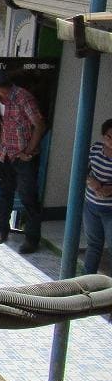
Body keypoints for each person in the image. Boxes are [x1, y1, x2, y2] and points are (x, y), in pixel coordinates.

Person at [0, 67, 46, 253]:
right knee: (4, 194)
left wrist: (29, 151)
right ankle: (0, 229)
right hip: (5, 154)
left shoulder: (23, 98)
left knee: (28, 197)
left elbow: (39, 124)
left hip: (24, 157)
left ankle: (32, 238)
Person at [82, 118, 112, 275]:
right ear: (103, 136)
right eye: (109, 137)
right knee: (93, 244)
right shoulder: (95, 149)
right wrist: (90, 180)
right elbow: (82, 169)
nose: (111, 141)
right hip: (91, 206)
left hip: (110, 209)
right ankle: (86, 281)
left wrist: (109, 189)